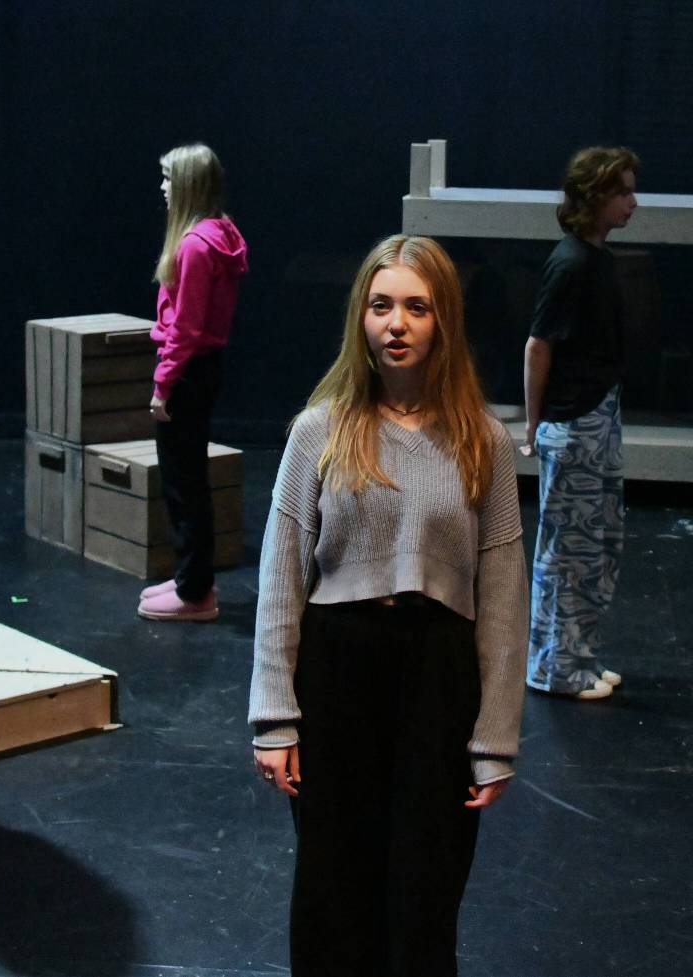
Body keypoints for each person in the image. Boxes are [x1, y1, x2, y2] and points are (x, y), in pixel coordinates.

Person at [248, 234, 527, 976]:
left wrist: (496, 736)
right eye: (380, 305)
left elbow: (502, 596)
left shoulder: (484, 442)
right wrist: (275, 715)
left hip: (438, 676)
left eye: (416, 306)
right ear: (359, 319)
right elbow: (280, 578)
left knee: (425, 893)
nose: (396, 323)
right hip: (338, 670)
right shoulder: (319, 432)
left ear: (444, 322)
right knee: (333, 892)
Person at [523, 146, 639, 700]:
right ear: (594, 197)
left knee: (596, 545)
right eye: (621, 192)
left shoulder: (597, 260)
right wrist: (536, 424)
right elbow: (538, 346)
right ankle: (555, 668)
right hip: (574, 423)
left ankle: (580, 658)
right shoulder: (569, 264)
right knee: (568, 551)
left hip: (598, 413)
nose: (632, 202)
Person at [137, 143, 247, 622]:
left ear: (186, 185)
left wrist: (163, 385)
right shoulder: (217, 235)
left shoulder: (196, 247)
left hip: (187, 372)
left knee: (184, 484)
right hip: (201, 369)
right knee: (188, 480)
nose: (161, 188)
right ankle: (190, 580)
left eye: (167, 179)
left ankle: (195, 593)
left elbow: (186, 328)